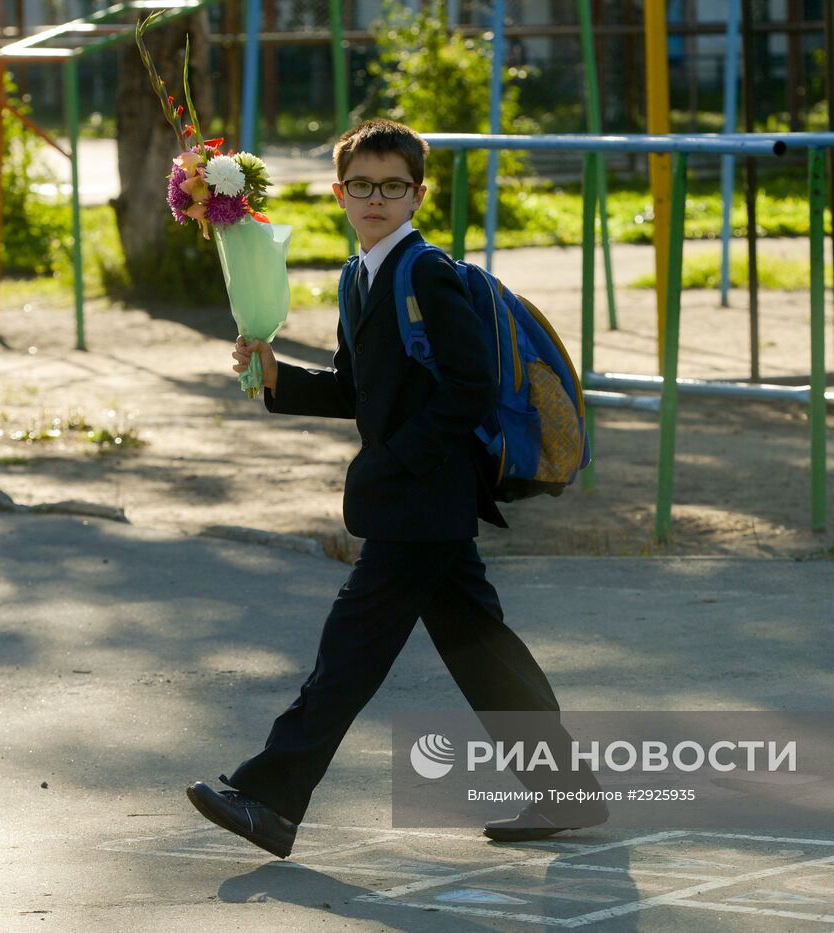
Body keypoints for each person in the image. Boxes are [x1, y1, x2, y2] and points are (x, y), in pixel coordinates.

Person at [186, 119, 606, 859]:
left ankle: (272, 799)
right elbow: (359, 386)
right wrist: (283, 378)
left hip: (422, 498)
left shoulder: (426, 272)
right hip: (421, 503)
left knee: (349, 653)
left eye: (391, 187)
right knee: (484, 649)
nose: (374, 198)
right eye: (360, 185)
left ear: (417, 193)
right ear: (339, 192)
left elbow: (470, 386)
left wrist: (395, 460)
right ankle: (565, 790)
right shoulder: (360, 275)